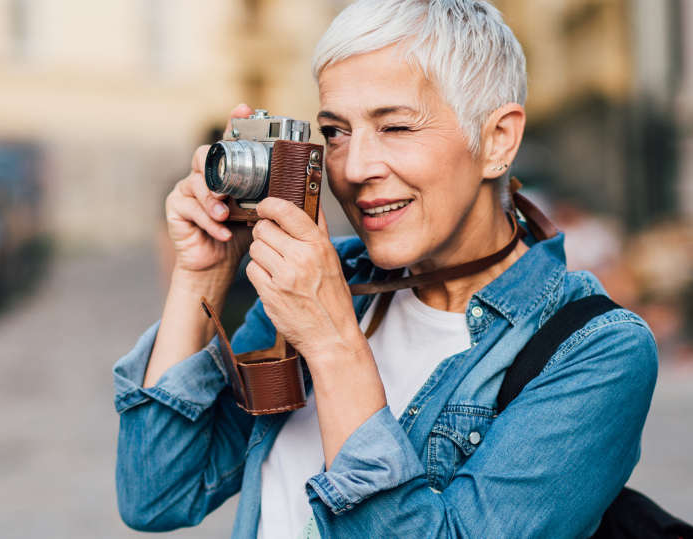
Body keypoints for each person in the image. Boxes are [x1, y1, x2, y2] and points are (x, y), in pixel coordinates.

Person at [113, 1, 657, 538]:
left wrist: (331, 344)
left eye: (394, 127)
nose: (354, 168)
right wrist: (201, 274)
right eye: (336, 132)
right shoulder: (339, 284)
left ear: (497, 140)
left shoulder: (595, 350)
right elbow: (158, 494)